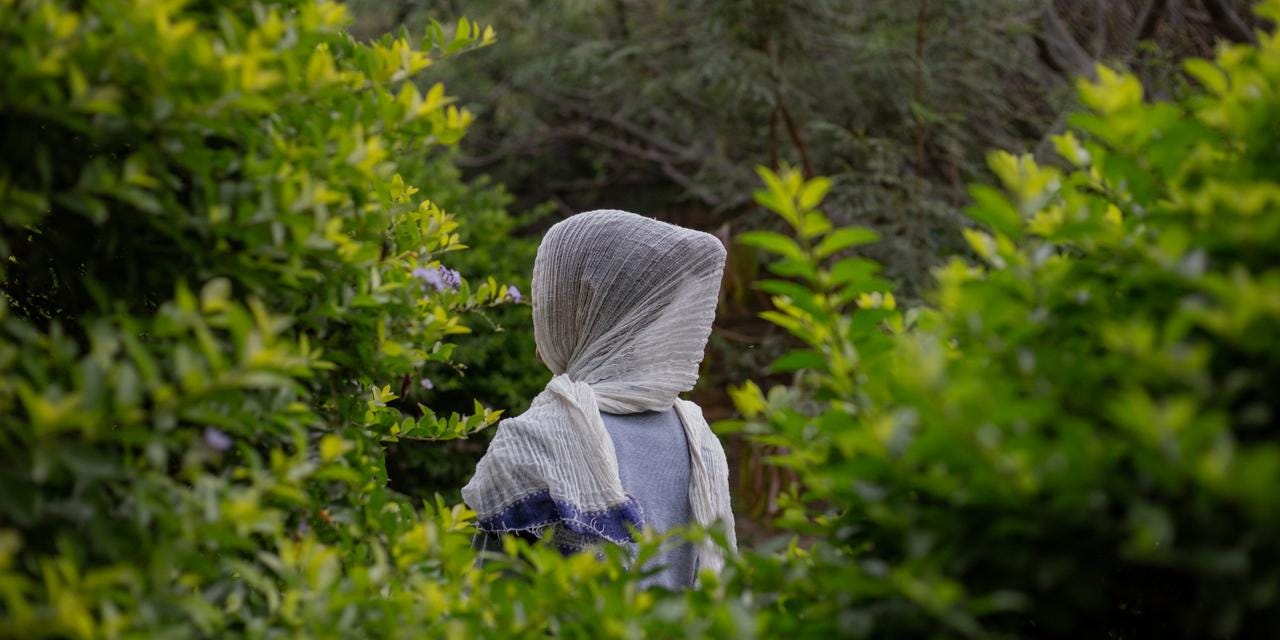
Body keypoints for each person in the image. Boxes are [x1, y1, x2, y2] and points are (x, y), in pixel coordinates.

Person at [461, 209, 737, 589]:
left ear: (584, 311)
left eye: (549, 301)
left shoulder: (535, 440)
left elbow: (490, 602)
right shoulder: (697, 437)